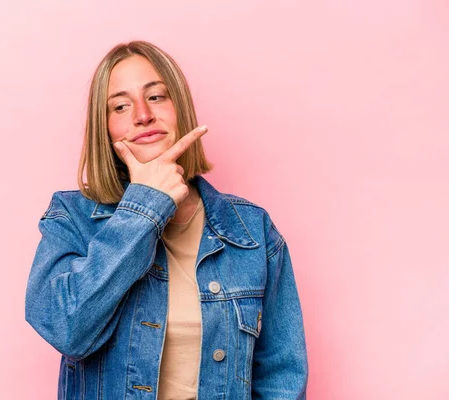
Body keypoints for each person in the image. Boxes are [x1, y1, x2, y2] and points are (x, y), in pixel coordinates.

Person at [25, 40, 308, 399]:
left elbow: (282, 377)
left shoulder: (252, 231)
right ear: (105, 129)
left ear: (181, 108)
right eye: (121, 106)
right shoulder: (73, 219)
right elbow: (65, 328)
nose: (142, 115)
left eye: (156, 97)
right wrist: (146, 207)